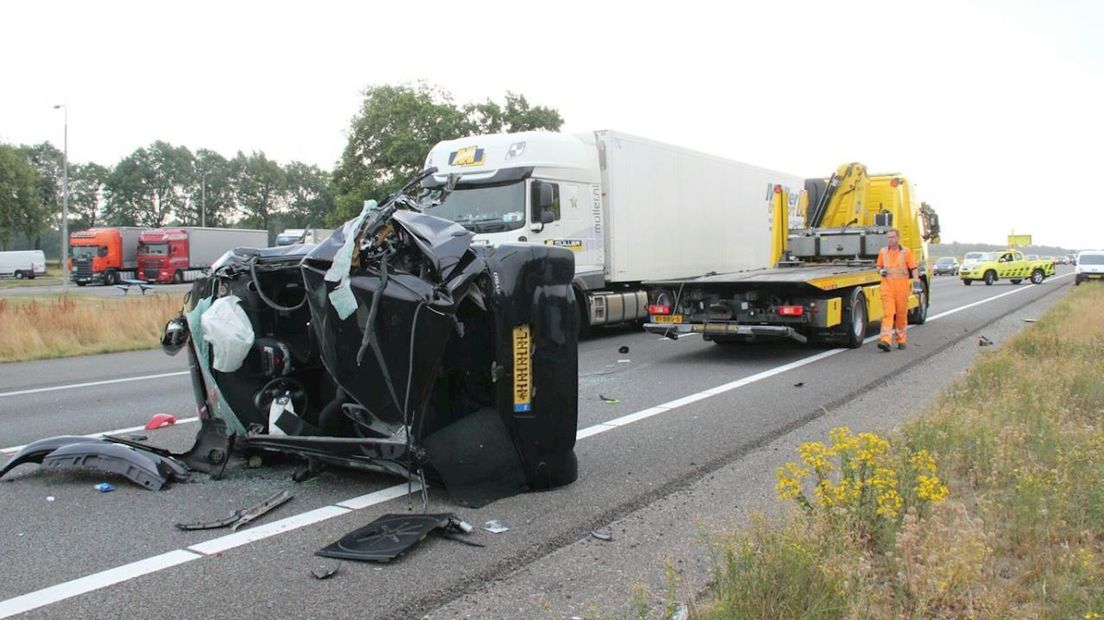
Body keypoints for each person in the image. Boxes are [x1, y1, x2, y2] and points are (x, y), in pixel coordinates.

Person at [875, 228, 919, 352]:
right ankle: (886, 340)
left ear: (898, 238)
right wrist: (880, 270)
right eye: (889, 237)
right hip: (887, 287)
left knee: (901, 314)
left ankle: (901, 339)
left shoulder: (906, 252)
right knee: (888, 313)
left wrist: (916, 283)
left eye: (893, 237)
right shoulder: (883, 252)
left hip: (902, 288)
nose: (891, 240)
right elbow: (878, 266)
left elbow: (914, 268)